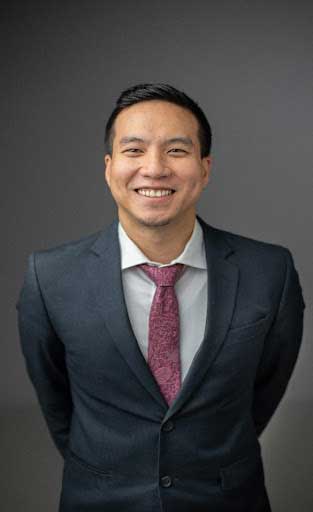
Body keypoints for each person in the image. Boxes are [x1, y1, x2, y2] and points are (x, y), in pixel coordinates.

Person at [16, 83, 306, 512]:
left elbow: (263, 391)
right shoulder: (51, 277)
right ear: (108, 167)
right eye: (134, 150)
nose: (154, 169)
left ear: (205, 169)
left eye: (176, 150)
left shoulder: (270, 272)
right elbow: (57, 401)